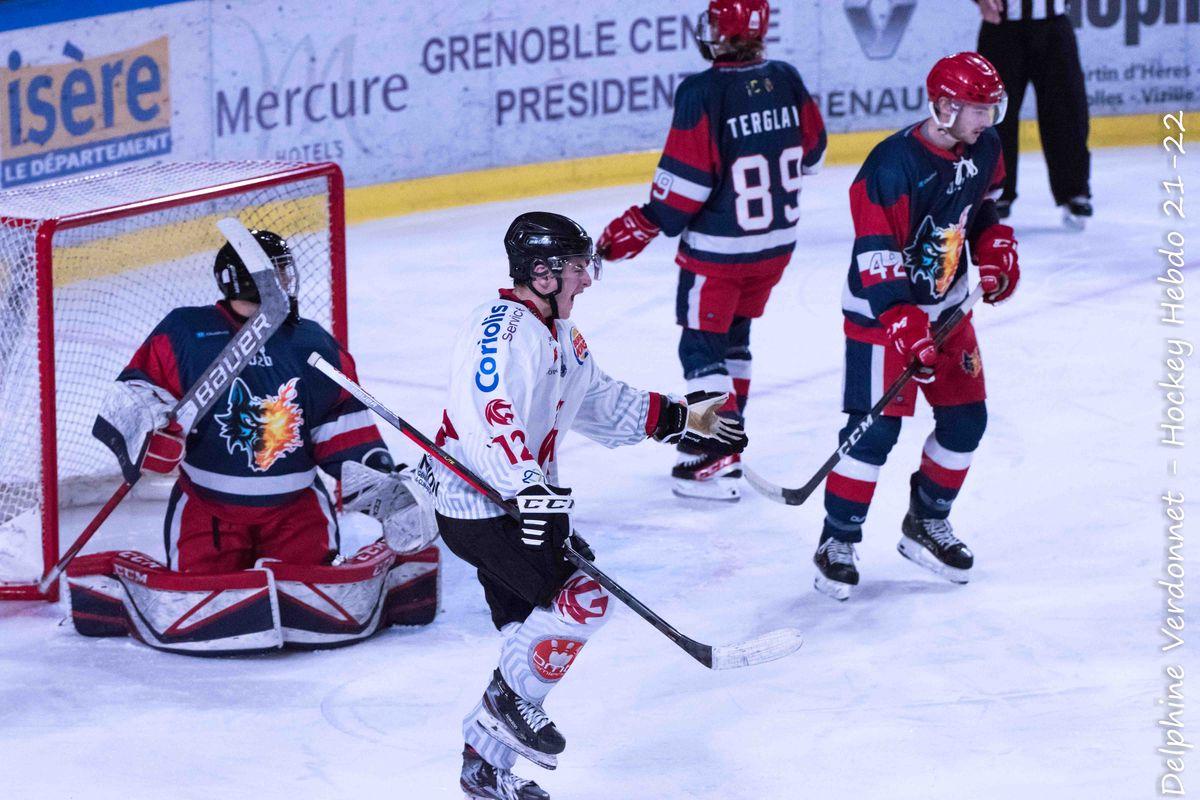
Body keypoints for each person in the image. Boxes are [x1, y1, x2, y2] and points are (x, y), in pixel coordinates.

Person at [432, 212, 747, 799]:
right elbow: (488, 414)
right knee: (583, 598)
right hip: (480, 505)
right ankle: (501, 707)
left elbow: (600, 401)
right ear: (544, 274)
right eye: (578, 267)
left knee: (526, 634)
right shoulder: (498, 330)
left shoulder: (562, 338)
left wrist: (680, 419)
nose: (587, 278)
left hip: (521, 503)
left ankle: (484, 767)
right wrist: (528, 487)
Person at [69, 229, 440, 653]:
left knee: (305, 594)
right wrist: (150, 429)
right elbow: (133, 392)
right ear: (251, 279)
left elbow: (339, 421)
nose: (287, 280)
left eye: (285, 270)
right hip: (207, 511)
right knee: (202, 588)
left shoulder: (310, 341)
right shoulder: (185, 332)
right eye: (277, 272)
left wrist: (378, 480)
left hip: (297, 512)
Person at [596, 0, 826, 501]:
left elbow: (685, 187)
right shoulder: (786, 77)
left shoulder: (703, 91)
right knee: (735, 338)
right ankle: (728, 437)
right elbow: (814, 153)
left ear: (719, 33)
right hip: (776, 246)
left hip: (720, 253)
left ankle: (718, 454)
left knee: (701, 346)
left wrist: (641, 225)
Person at [812, 52, 1021, 601]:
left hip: (950, 311)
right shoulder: (891, 165)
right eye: (979, 110)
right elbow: (875, 255)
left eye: (991, 109)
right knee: (874, 431)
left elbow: (981, 215)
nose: (988, 121)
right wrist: (904, 325)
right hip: (882, 317)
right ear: (946, 107)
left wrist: (996, 251)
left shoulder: (988, 148)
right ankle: (837, 540)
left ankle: (926, 523)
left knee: (965, 423)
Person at [974, 0, 1092, 228]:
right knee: (995, 114)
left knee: (1067, 111)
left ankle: (1074, 190)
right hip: (1001, 27)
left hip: (1054, 25)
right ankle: (996, 193)